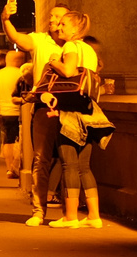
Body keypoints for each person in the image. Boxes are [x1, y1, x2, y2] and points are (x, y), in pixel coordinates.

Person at [1, 0, 70, 224]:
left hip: (70, 106)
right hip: (43, 106)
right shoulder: (40, 40)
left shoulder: (75, 45)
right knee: (41, 158)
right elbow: (17, 38)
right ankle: (38, 211)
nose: (51, 20)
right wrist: (6, 19)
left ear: (67, 22)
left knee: (69, 159)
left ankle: (68, 212)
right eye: (50, 16)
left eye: (56, 17)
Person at [43, 12, 104, 229]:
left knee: (68, 163)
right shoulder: (89, 49)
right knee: (84, 166)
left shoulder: (70, 47)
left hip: (70, 110)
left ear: (75, 30)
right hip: (89, 109)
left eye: (63, 24)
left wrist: (53, 62)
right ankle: (94, 216)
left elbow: (68, 71)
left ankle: (71, 216)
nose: (59, 27)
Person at [0, 51, 26, 179]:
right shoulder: (22, 73)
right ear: (20, 60)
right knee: (20, 141)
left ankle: (9, 167)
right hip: (19, 111)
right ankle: (16, 167)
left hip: (3, 111)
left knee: (7, 140)